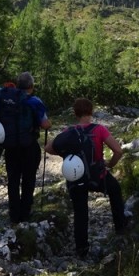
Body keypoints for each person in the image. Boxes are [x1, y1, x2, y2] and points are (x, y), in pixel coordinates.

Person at [45, 98, 128, 258]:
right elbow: (118, 151)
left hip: (76, 177)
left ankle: (81, 249)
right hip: (98, 175)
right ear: (91, 111)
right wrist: (110, 164)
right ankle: (120, 227)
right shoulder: (99, 130)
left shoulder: (69, 131)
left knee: (80, 211)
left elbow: (48, 148)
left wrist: (65, 154)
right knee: (115, 190)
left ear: (75, 114)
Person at [2, 72, 51, 223]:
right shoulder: (34, 101)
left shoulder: (6, 100)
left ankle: (13, 214)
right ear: (31, 86)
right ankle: (25, 213)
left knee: (13, 179)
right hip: (29, 145)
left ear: (17, 85)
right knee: (28, 179)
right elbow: (44, 124)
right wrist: (49, 124)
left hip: (10, 146)